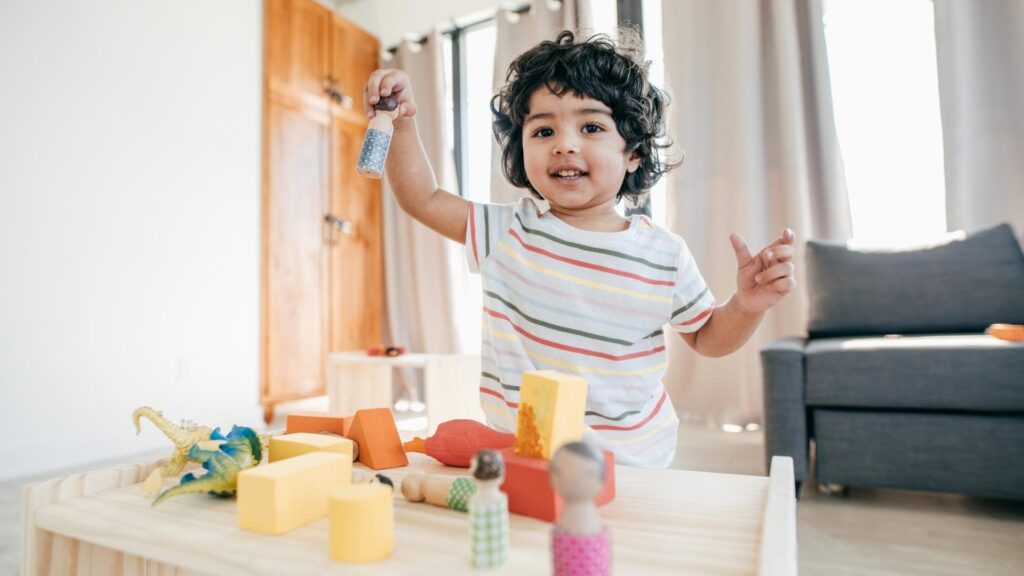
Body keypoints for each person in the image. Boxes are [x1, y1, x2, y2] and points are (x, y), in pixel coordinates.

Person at [361, 30, 796, 468]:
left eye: (591, 127)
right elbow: (422, 198)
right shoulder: (506, 231)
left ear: (634, 153)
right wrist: (402, 122)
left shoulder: (663, 253)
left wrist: (747, 304)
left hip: (630, 458)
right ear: (520, 149)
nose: (564, 144)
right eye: (544, 130)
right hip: (526, 449)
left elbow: (707, 337)